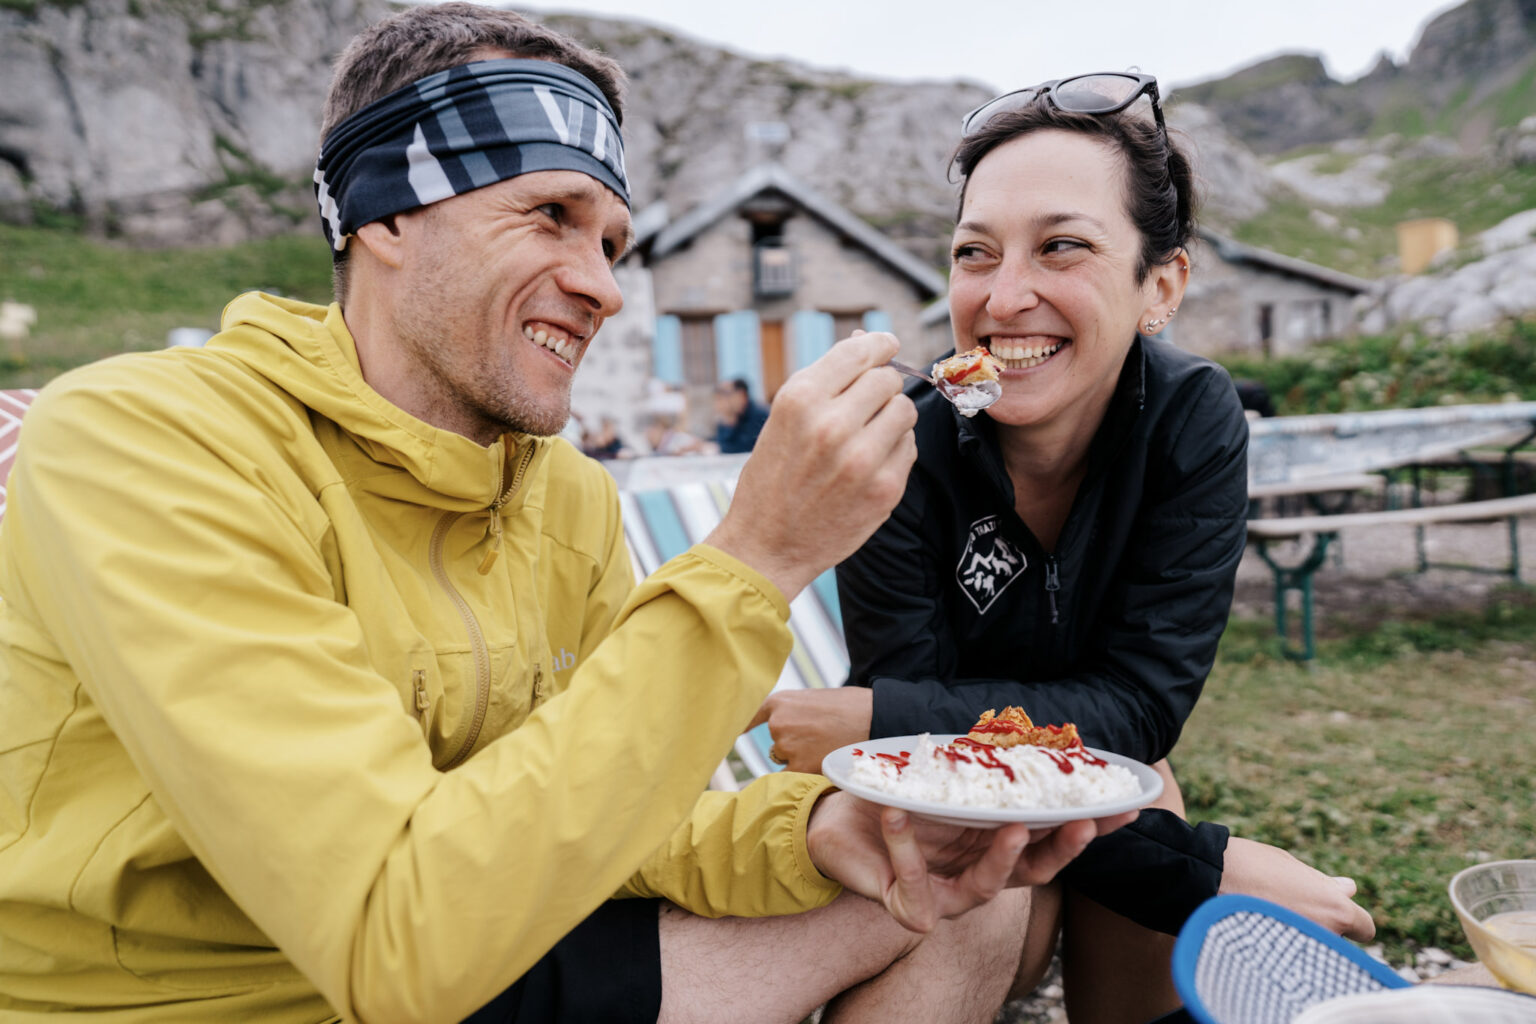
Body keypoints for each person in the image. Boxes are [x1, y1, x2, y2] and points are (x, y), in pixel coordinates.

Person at [0, 8, 1134, 1023]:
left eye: (609, 243)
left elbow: (611, 817)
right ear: (386, 214)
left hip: (491, 932)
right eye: (549, 215)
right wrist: (760, 551)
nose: (599, 283)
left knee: (949, 900)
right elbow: (395, 940)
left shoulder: (564, 491)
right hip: (224, 989)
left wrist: (815, 831)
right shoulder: (146, 438)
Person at [749, 73, 1374, 1022]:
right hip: (956, 805)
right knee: (985, 900)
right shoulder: (904, 445)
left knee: (1139, 797)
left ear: (1160, 285)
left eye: (1063, 247)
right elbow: (919, 765)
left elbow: (1140, 707)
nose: (1004, 298)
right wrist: (1199, 868)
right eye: (974, 253)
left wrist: (875, 718)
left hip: (1109, 779)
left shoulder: (1191, 416)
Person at [713, 376, 770, 453]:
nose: (726, 400)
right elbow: (722, 441)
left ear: (741, 394)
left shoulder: (759, 414)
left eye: (727, 395)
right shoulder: (733, 415)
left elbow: (748, 446)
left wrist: (716, 447)